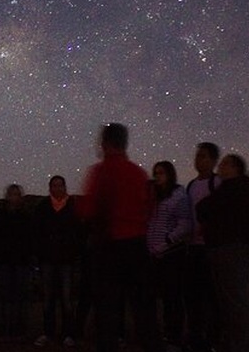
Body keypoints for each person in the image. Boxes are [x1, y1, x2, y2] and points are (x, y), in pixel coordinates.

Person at [76, 123, 154, 352]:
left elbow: (87, 209)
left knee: (107, 314)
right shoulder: (139, 173)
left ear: (105, 143)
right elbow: (148, 209)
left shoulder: (101, 171)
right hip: (137, 247)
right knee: (144, 312)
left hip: (109, 249)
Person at [196, 154, 249, 352]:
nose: (219, 167)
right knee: (231, 302)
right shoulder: (238, 190)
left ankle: (241, 346)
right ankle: (235, 343)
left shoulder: (233, 191)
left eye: (224, 164)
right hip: (231, 250)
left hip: (232, 251)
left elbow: (204, 207)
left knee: (235, 303)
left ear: (234, 169)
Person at [145, 161, 192, 351]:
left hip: (172, 254)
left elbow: (185, 224)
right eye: (155, 173)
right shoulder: (154, 196)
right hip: (153, 254)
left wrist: (167, 240)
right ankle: (162, 333)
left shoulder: (179, 196)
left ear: (170, 174)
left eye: (161, 173)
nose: (157, 176)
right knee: (157, 297)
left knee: (172, 297)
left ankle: (174, 337)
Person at [32, 175, 81, 348]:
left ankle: (68, 333)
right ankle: (48, 333)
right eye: (54, 185)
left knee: (67, 300)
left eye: (60, 185)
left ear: (65, 187)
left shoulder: (72, 206)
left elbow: (78, 232)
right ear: (50, 188)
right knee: (48, 299)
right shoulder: (43, 207)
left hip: (66, 260)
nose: (57, 188)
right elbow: (36, 232)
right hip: (47, 259)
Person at [185, 141, 221, 352]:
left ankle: (212, 339)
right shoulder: (191, 185)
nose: (198, 160)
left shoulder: (217, 183)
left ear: (213, 160)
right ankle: (196, 338)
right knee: (193, 296)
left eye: (203, 156)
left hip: (211, 247)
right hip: (193, 248)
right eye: (197, 156)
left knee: (212, 296)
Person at [0, 183, 32, 342]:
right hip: (4, 261)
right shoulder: (0, 215)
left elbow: (30, 238)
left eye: (16, 194)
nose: (14, 197)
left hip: (21, 261)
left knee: (20, 296)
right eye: (12, 194)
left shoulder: (26, 216)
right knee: (4, 296)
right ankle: (2, 328)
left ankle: (18, 328)